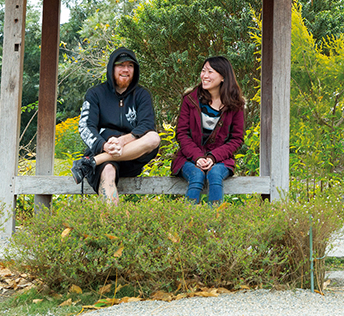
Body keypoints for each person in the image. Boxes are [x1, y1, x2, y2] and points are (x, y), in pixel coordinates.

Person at [71, 47, 161, 205]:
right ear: (111, 67)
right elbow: (85, 126)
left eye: (130, 66)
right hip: (104, 156)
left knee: (153, 137)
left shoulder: (141, 95)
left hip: (132, 158)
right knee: (108, 170)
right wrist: (104, 145)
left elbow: (147, 125)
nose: (126, 69)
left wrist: (122, 141)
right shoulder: (95, 94)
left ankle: (91, 162)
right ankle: (112, 226)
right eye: (121, 65)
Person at [171, 56, 245, 204]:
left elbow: (236, 139)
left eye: (210, 72)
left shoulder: (235, 105)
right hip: (188, 158)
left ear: (223, 77)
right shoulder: (190, 100)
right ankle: (189, 223)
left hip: (221, 159)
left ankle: (214, 223)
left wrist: (213, 157)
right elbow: (182, 134)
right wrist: (198, 157)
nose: (204, 75)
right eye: (203, 70)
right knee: (197, 174)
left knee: (215, 173)